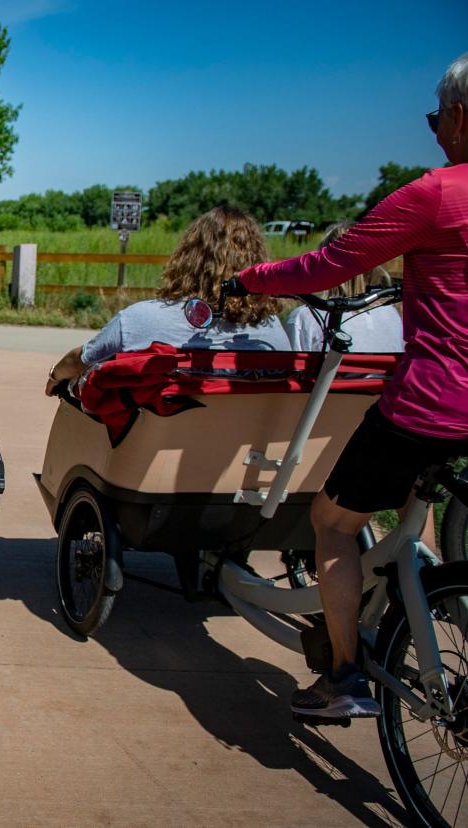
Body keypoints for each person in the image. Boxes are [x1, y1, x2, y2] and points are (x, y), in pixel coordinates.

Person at [232, 53, 468, 722]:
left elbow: (329, 264)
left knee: (333, 523)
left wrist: (248, 280)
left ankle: (341, 679)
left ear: (457, 116)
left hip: (435, 401)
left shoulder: (439, 193)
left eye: (434, 120)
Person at [45, 206, 288, 394]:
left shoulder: (140, 320)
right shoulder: (273, 332)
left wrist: (56, 375)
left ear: (187, 257)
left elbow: (81, 360)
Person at [284, 222, 403, 352]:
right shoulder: (391, 314)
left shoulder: (305, 317)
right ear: (371, 267)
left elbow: (293, 370)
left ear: (323, 264)